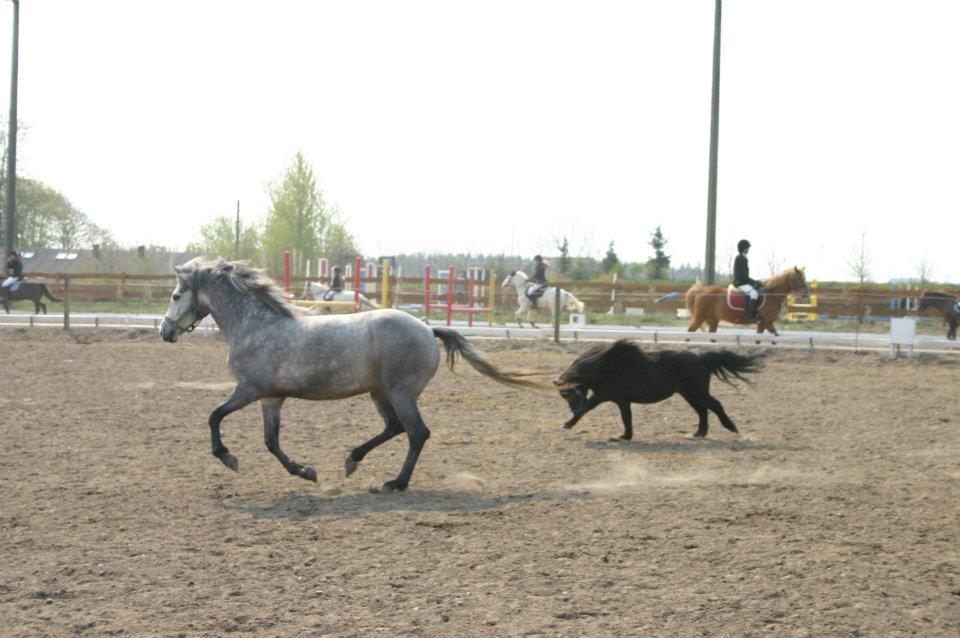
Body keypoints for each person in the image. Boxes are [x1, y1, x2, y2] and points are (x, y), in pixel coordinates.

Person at [733, 239, 762, 323]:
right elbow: (743, 276)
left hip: (743, 282)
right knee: (754, 294)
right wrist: (753, 282)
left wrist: (755, 282)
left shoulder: (743, 258)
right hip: (740, 283)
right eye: (747, 248)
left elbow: (746, 276)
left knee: (758, 290)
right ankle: (750, 317)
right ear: (744, 248)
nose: (748, 249)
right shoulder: (740, 258)